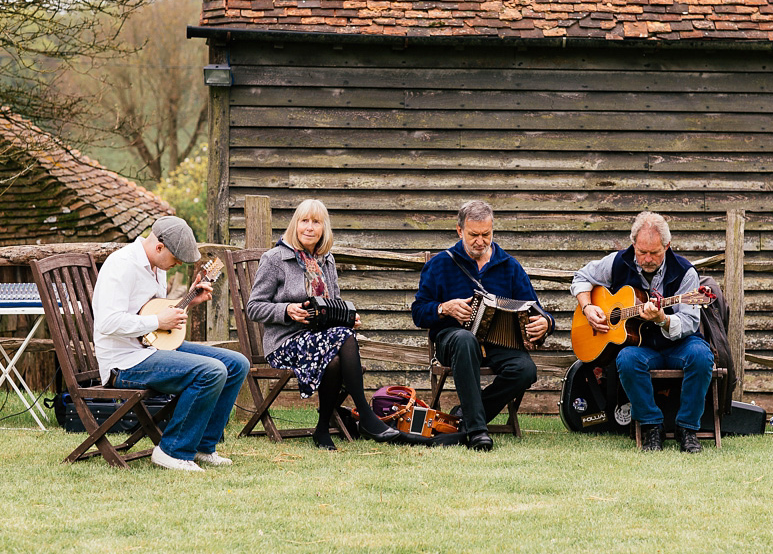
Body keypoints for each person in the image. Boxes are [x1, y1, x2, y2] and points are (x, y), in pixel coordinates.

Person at [92, 216, 250, 471]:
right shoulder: (121, 265)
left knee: (236, 363)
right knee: (211, 371)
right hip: (124, 362)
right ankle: (172, 451)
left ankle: (202, 446)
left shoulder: (157, 268)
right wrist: (157, 321)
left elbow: (151, 312)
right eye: (175, 259)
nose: (176, 265)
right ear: (159, 247)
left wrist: (189, 302)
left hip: (151, 349)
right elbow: (108, 323)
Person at [246, 199, 403, 450]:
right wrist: (287, 310)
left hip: (321, 339)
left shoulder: (326, 260)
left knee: (336, 357)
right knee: (343, 338)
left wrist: (349, 318)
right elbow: (253, 307)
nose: (309, 227)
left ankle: (321, 430)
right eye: (304, 221)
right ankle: (365, 414)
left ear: (324, 228)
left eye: (316, 222)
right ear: (295, 225)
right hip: (284, 344)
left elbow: (335, 303)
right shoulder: (274, 258)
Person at [412, 200, 554, 451]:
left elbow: (537, 309)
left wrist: (546, 323)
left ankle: (463, 419)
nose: (480, 241)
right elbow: (419, 312)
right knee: (465, 340)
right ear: (459, 231)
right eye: (473, 235)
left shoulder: (509, 266)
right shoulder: (441, 263)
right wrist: (444, 308)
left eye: (486, 234)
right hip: (453, 341)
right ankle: (478, 432)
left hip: (497, 343)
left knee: (525, 369)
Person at [571, 211, 714, 453]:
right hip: (641, 347)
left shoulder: (685, 272)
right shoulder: (618, 261)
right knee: (625, 359)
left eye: (655, 253)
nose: (647, 259)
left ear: (667, 246)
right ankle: (651, 427)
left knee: (702, 356)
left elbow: (690, 320)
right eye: (641, 252)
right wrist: (588, 306)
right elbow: (581, 277)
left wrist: (663, 319)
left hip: (679, 344)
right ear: (633, 244)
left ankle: (687, 429)